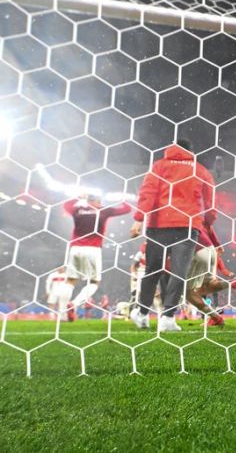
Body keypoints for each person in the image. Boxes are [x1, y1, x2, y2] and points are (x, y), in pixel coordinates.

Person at [129, 138, 216, 332]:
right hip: (186, 227)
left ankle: (141, 313)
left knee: (153, 270)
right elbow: (210, 203)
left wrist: (138, 219)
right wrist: (208, 223)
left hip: (159, 226)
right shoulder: (200, 170)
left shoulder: (159, 166)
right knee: (179, 273)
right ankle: (167, 318)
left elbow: (148, 192)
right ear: (190, 151)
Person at [59, 194, 131, 322]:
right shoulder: (104, 210)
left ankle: (62, 315)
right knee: (94, 282)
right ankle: (74, 304)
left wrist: (78, 197)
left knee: (70, 281)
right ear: (98, 201)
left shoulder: (77, 210)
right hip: (93, 249)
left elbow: (66, 205)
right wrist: (122, 199)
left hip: (75, 249)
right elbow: (127, 209)